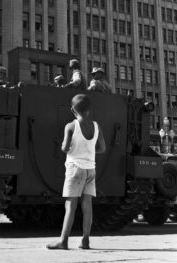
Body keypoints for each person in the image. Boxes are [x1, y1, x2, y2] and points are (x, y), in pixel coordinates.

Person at [47, 94, 106, 250]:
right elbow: (102, 148)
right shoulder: (96, 126)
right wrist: (88, 150)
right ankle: (85, 240)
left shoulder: (71, 126)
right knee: (87, 205)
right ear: (90, 109)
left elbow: (65, 148)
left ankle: (63, 241)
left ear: (73, 110)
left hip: (75, 169)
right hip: (91, 169)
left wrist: (70, 148)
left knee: (70, 205)